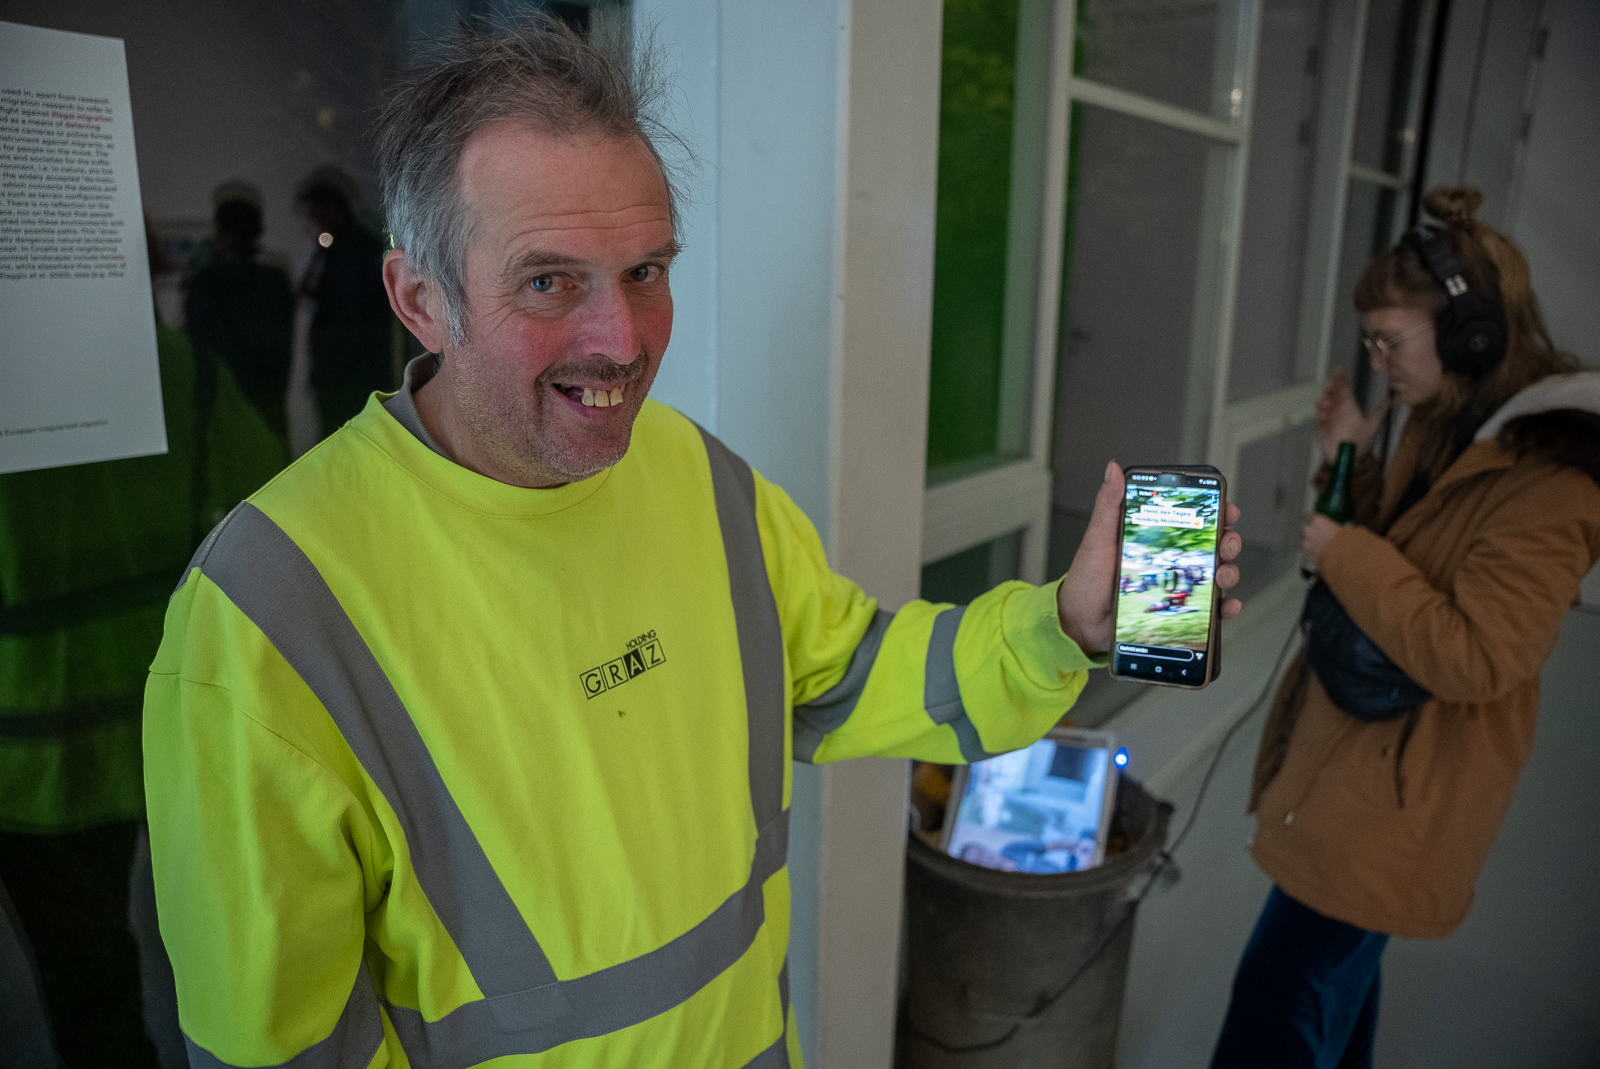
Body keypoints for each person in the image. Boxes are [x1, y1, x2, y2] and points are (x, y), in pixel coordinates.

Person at [142, 19, 1243, 1068]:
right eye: (548, 280)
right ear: (419, 299)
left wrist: (1065, 626)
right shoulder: (267, 615)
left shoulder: (695, 474)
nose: (621, 340)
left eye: (646, 271)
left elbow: (851, 672)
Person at [1210, 187, 1600, 1069]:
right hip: (1357, 761)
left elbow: (1480, 656)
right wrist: (1345, 458)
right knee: (1329, 1003)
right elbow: (1403, 547)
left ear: (1471, 336)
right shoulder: (1442, 422)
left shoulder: (1553, 483)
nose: (1376, 360)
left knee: (1279, 1013)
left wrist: (1344, 551)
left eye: (1390, 341)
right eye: (1370, 342)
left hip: (1400, 797)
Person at [0, 227, 282, 1068]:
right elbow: (276, 509)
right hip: (176, 719)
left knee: (84, 969)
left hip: (29, 755)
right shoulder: (181, 369)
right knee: (222, 938)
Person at [183, 182, 296, 450]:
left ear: (220, 230)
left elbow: (198, 346)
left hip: (221, 408)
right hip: (266, 406)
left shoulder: (205, 282)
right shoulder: (275, 280)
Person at [296, 165, 397, 437]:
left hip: (348, 377)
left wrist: (329, 370)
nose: (312, 221)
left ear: (331, 207)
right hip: (349, 375)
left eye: (315, 212)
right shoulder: (344, 247)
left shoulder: (351, 250)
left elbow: (347, 316)